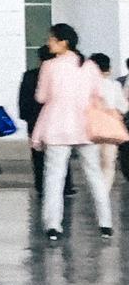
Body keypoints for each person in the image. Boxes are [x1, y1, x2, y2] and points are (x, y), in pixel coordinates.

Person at [31, 22, 114, 243]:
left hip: (57, 127)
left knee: (54, 177)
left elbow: (41, 97)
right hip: (85, 127)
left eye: (51, 39)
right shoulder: (89, 67)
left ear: (63, 42)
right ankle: (105, 223)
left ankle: (53, 226)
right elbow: (99, 94)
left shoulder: (49, 66)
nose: (48, 42)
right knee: (94, 174)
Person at [92, 53, 127, 205]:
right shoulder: (114, 85)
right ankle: (102, 195)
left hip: (90, 128)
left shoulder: (83, 86)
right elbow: (123, 107)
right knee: (108, 163)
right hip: (110, 127)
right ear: (108, 70)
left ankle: (95, 191)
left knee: (92, 163)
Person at [19, 45, 52, 197]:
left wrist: (26, 117)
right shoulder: (55, 74)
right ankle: (64, 185)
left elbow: (23, 99)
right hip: (53, 120)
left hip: (34, 120)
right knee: (57, 153)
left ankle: (41, 185)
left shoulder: (29, 75)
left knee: (38, 155)